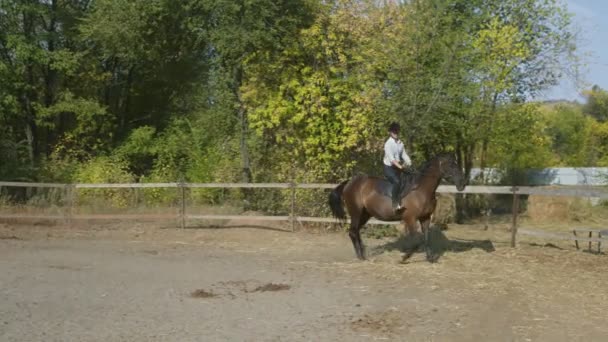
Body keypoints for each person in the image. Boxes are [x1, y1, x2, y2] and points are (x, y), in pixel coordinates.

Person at [383, 122, 412, 213]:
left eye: (397, 131)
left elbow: (404, 154)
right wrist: (400, 167)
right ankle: (395, 204)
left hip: (397, 168)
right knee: (397, 181)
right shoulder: (388, 144)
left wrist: (409, 161)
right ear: (390, 133)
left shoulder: (400, 143)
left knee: (409, 178)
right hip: (389, 168)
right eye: (394, 131)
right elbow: (392, 159)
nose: (396, 133)